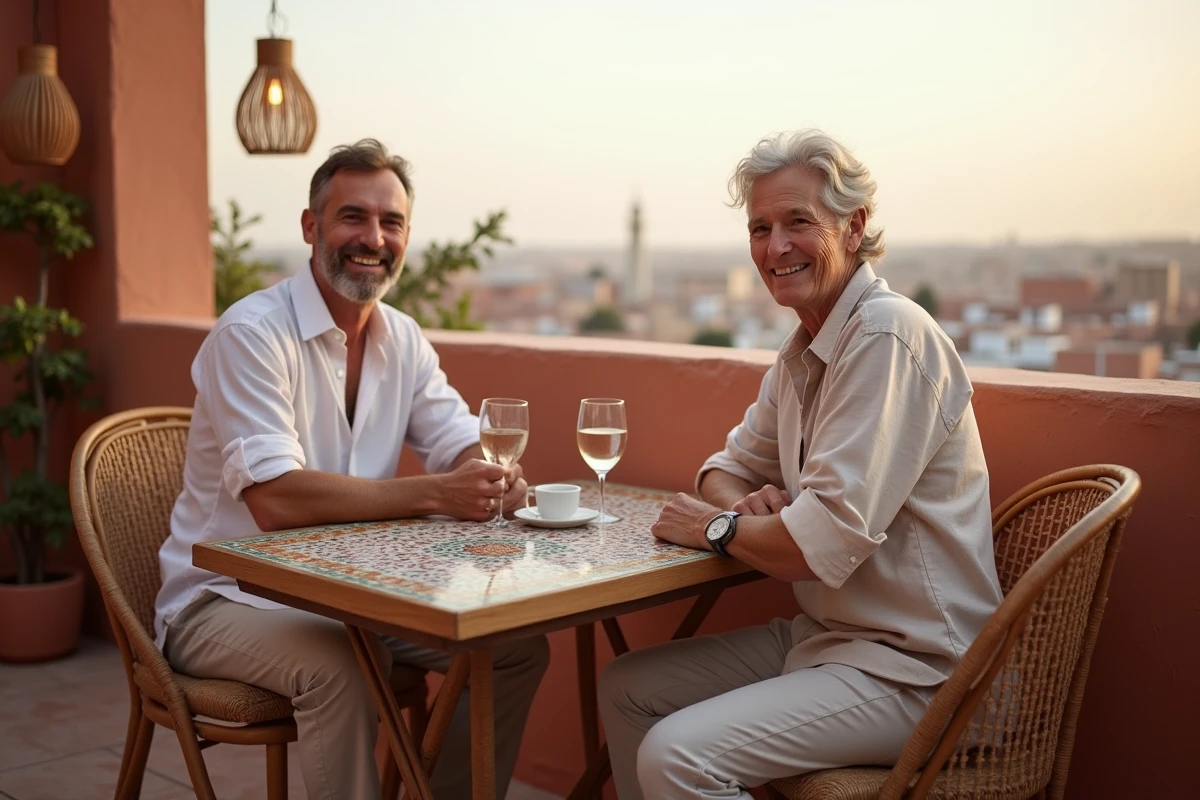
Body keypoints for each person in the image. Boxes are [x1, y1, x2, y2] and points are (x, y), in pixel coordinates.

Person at [598, 129, 1003, 799]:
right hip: (830, 640)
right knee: (627, 686)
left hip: (921, 670)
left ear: (854, 227)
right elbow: (722, 469)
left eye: (797, 222)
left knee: (677, 756)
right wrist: (737, 507)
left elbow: (818, 546)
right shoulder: (805, 351)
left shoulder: (886, 336)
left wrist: (716, 529)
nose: (776, 246)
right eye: (760, 229)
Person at [154, 139, 549, 799]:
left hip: (355, 595)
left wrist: (490, 474)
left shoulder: (404, 338)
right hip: (224, 600)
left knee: (511, 648)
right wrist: (437, 493)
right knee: (338, 665)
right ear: (311, 227)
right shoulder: (251, 335)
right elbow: (276, 500)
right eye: (353, 217)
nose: (373, 238)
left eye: (391, 222)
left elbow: (460, 441)